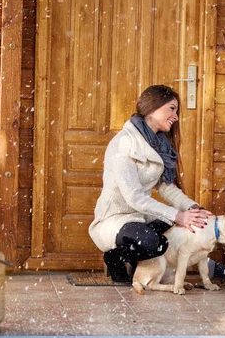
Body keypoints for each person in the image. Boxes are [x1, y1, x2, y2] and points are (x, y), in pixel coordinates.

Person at [89, 85, 211, 283]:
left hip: (140, 216)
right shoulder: (124, 143)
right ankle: (116, 257)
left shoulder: (159, 145)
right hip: (116, 218)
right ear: (152, 107)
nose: (176, 116)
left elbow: (166, 188)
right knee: (154, 243)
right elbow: (133, 197)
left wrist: (193, 209)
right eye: (172, 108)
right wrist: (179, 216)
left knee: (183, 224)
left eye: (176, 110)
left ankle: (132, 263)